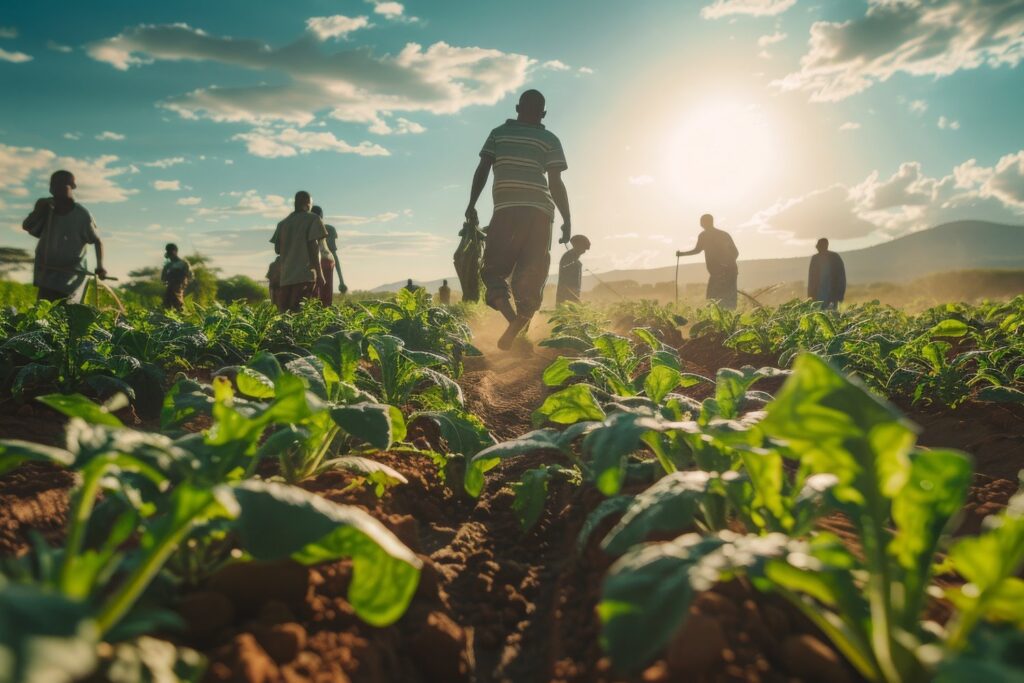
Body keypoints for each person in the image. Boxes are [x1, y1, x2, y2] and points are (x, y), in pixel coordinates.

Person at [466, 89, 571, 350]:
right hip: (540, 212)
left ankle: (513, 323)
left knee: (492, 272)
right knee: (531, 276)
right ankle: (518, 326)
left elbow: (482, 169)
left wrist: (471, 204)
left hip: (506, 210)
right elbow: (556, 183)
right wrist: (567, 219)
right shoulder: (550, 139)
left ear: (516, 108)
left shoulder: (498, 133)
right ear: (543, 113)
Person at [21, 170, 107, 302]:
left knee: (64, 312)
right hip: (47, 273)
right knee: (43, 313)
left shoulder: (81, 215)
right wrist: (38, 210)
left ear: (72, 187)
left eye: (62, 185)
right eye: (54, 186)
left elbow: (96, 241)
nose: (57, 190)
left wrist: (100, 266)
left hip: (71, 276)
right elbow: (27, 226)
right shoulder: (47, 209)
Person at [270, 191, 327, 313]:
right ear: (307, 204)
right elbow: (313, 246)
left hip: (286, 277)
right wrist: (320, 273)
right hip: (305, 275)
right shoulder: (313, 218)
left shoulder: (283, 223)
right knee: (300, 313)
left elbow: (277, 250)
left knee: (285, 314)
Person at [676, 214, 738, 310]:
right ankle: (725, 320)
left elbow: (697, 250)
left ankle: (720, 321)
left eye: (701, 222)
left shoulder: (705, 236)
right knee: (726, 298)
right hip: (728, 271)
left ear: (704, 223)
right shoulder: (723, 234)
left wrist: (724, 266)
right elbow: (735, 253)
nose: (700, 224)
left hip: (723, 272)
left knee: (713, 298)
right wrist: (682, 254)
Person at [311, 205, 347, 305]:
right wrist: (341, 280)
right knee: (326, 298)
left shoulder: (304, 229)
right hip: (325, 261)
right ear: (321, 216)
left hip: (310, 263)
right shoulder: (329, 229)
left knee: (312, 297)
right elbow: (333, 254)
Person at [808, 238, 846, 309]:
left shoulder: (835, 258)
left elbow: (841, 277)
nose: (817, 247)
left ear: (825, 246)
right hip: (818, 295)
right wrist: (810, 296)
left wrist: (840, 294)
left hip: (832, 294)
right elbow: (811, 280)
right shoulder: (815, 259)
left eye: (819, 245)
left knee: (830, 316)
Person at [556, 234, 591, 305]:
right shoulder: (568, 257)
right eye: (583, 248)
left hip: (573, 293)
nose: (584, 251)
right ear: (577, 246)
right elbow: (565, 272)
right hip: (566, 294)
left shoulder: (574, 258)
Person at [161, 243, 192, 310]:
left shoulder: (183, 263)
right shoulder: (168, 265)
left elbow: (189, 275)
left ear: (175, 251)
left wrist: (184, 284)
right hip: (170, 286)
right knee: (167, 304)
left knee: (178, 304)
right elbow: (163, 277)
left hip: (178, 286)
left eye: (171, 252)